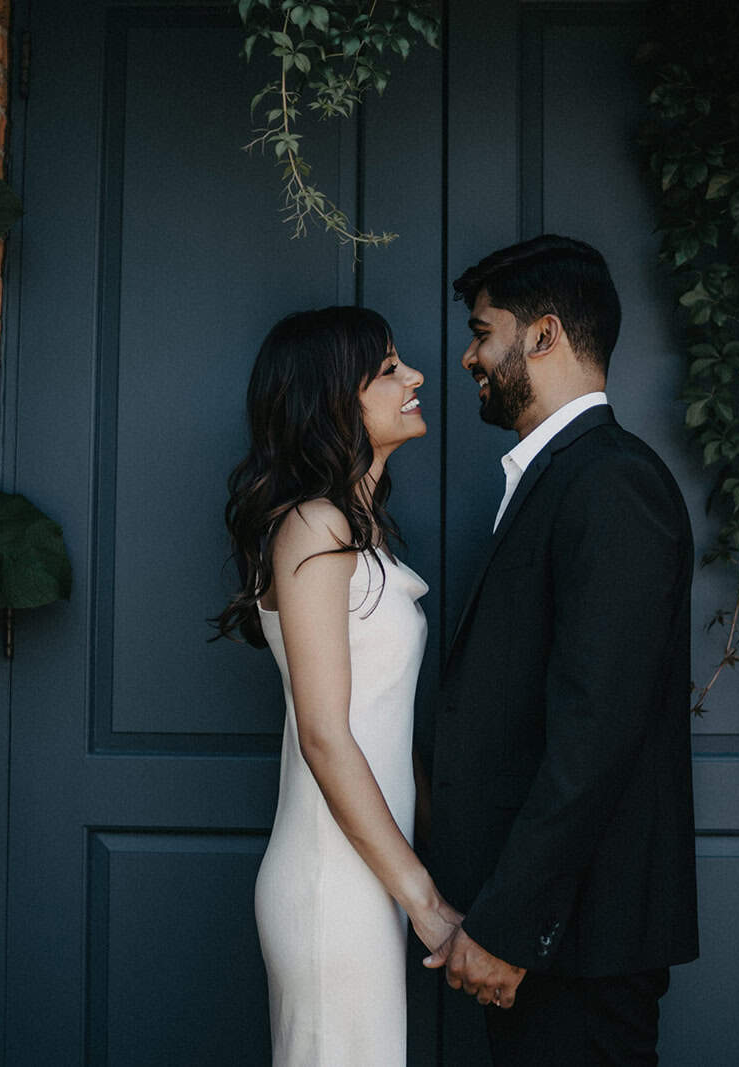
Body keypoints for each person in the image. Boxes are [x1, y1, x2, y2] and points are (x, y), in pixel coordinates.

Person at [424, 235, 700, 1064]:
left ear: (542, 335)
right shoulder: (566, 477)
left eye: (483, 331)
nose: (470, 355)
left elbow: (594, 733)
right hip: (553, 940)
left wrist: (510, 929)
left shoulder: (611, 482)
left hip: (574, 944)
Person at [216, 306, 462, 1065]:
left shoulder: (358, 531)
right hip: (333, 884)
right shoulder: (313, 527)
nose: (415, 375)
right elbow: (325, 731)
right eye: (388, 369)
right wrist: (426, 902)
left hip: (371, 875)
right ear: (331, 401)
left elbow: (382, 720)